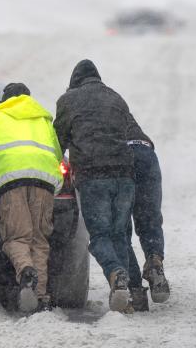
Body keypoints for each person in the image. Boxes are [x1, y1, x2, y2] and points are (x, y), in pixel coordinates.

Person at [54, 59, 134, 313]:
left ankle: (116, 273)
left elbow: (58, 142)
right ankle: (126, 293)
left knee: (99, 236)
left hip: (93, 175)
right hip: (125, 175)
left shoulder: (68, 101)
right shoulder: (116, 98)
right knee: (119, 234)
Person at [0, 82, 64, 314]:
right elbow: (58, 154)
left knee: (17, 237)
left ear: (5, 100)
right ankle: (40, 297)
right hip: (44, 182)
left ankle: (26, 271)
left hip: (10, 182)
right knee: (40, 240)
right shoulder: (42, 119)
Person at [124, 113, 170, 312]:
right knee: (149, 218)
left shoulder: (86, 111)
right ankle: (154, 261)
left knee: (120, 227)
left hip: (122, 159)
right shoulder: (115, 103)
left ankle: (135, 289)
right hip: (146, 153)